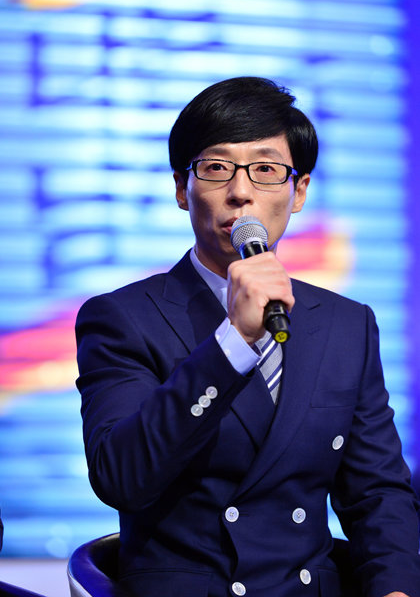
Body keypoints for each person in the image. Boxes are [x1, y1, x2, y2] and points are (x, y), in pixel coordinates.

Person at [75, 77, 420, 597]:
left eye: (266, 170)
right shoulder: (123, 317)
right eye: (217, 168)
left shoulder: (347, 324)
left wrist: (396, 588)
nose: (241, 192)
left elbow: (377, 492)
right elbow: (120, 476)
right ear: (181, 188)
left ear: (299, 191)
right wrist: (233, 340)